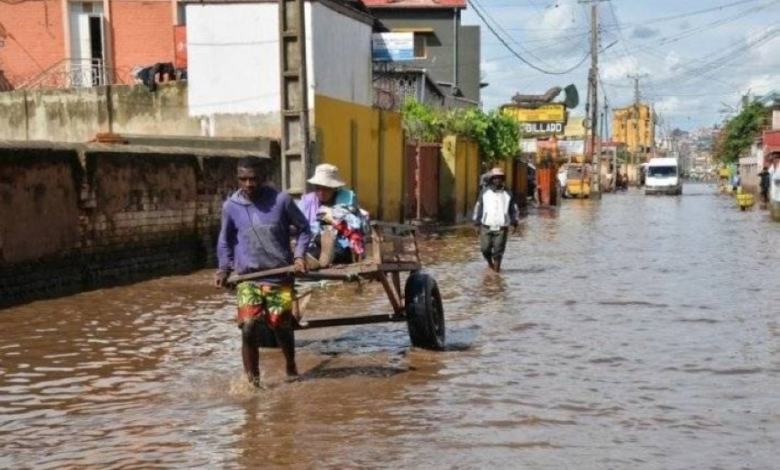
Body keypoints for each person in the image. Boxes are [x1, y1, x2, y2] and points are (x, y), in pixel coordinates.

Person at [215, 156, 312, 386]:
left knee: (280, 324)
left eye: (253, 179)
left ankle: (290, 364)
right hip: (248, 278)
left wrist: (299, 256)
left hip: (279, 275)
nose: (248, 184)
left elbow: (304, 229)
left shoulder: (281, 201)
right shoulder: (231, 206)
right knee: (248, 326)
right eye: (243, 179)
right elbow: (224, 241)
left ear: (264, 178)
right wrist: (223, 269)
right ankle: (253, 382)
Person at [299, 164, 367, 269]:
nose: (321, 193)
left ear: (334, 188)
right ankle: (314, 259)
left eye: (326, 189)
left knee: (338, 249)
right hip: (315, 241)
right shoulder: (307, 201)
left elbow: (356, 225)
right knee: (313, 248)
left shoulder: (347, 199)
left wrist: (334, 220)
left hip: (341, 243)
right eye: (318, 188)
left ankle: (327, 256)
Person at [473, 168, 519, 273]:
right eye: (495, 178)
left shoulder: (508, 193)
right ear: (491, 179)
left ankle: (496, 274)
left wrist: (514, 223)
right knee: (485, 249)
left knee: (498, 251)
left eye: (500, 178)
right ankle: (490, 264)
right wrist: (476, 223)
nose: (497, 180)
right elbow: (479, 208)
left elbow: (514, 209)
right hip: (486, 226)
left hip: (501, 228)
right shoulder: (484, 193)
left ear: (503, 179)